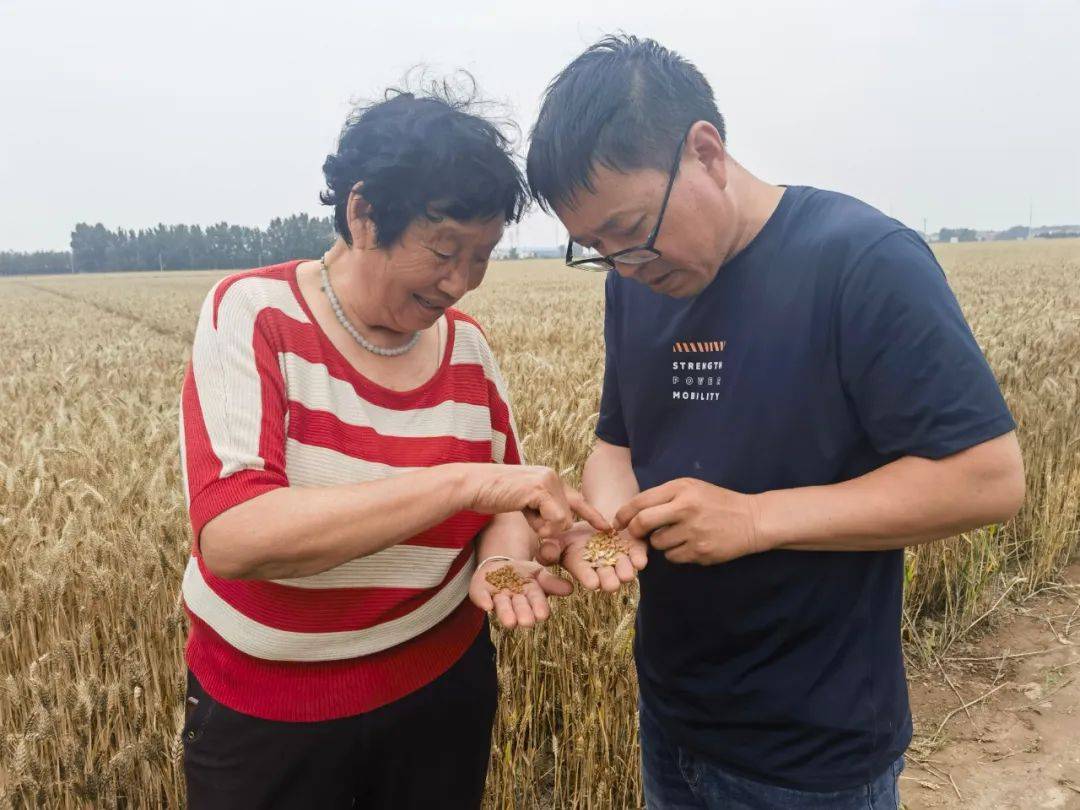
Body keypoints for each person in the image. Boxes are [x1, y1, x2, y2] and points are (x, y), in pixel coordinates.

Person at [529, 36, 1026, 809]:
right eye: (595, 247)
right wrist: (609, 523)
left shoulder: (862, 260)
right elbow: (616, 444)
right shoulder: (635, 284)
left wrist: (759, 519)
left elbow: (987, 479)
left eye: (630, 229)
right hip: (671, 714)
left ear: (705, 152)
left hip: (813, 749)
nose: (624, 264)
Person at [177, 85, 606, 809]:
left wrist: (502, 556)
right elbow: (233, 535)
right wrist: (456, 487)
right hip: (272, 724)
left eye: (482, 256)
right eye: (445, 251)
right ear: (363, 212)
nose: (461, 282)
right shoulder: (254, 315)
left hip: (440, 695)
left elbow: (510, 494)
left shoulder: (466, 349)